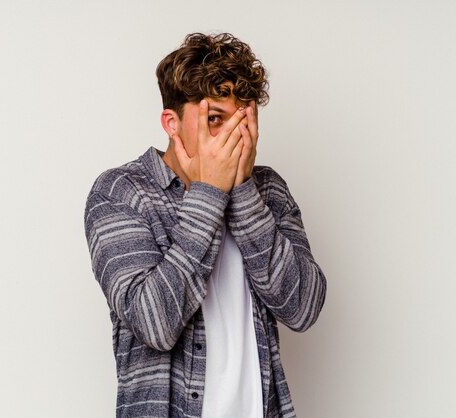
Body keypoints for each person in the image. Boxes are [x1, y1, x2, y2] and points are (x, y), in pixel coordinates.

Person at [84, 32, 326, 418]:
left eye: (243, 120)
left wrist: (243, 191)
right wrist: (210, 193)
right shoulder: (121, 192)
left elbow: (304, 307)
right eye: (215, 120)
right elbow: (154, 324)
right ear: (172, 123)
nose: (234, 137)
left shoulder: (268, 189)